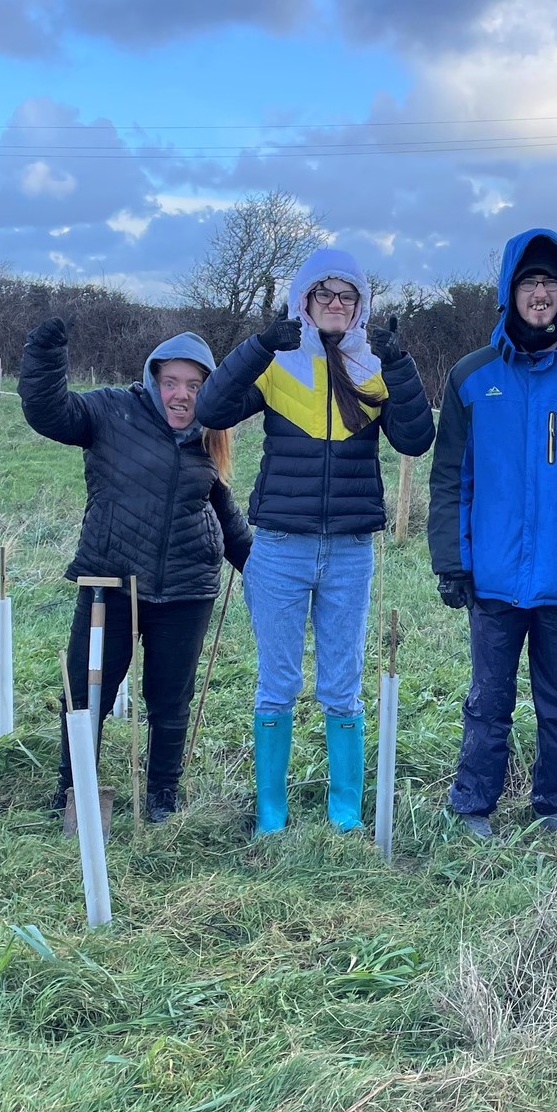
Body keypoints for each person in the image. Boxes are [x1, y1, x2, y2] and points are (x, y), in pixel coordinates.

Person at [195, 248, 435, 835]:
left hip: (351, 550)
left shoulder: (374, 369)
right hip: (279, 546)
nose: (334, 303)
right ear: (303, 301)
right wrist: (257, 344)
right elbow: (211, 406)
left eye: (346, 295)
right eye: (322, 293)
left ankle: (345, 811)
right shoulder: (277, 365)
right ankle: (271, 813)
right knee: (276, 681)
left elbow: (414, 441)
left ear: (361, 307)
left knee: (342, 684)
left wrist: (401, 367)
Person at [429, 228, 557, 846]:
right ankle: (471, 805)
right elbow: (450, 480)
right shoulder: (471, 378)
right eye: (528, 283)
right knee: (488, 700)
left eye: (550, 283)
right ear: (508, 292)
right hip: (492, 575)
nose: (539, 294)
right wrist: (452, 560)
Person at [20, 318, 252, 823]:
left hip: (188, 589)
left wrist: (262, 571)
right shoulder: (111, 410)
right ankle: (72, 788)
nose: (181, 395)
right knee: (86, 693)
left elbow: (220, 509)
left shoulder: (209, 436)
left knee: (170, 702)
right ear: (153, 378)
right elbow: (49, 412)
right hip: (111, 583)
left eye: (195, 386)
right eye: (171, 382)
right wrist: (45, 351)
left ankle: (162, 797)